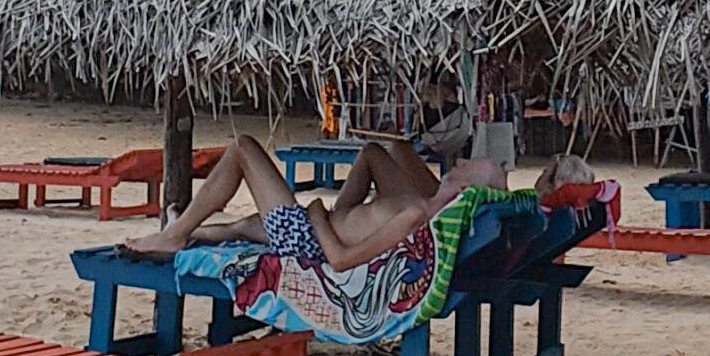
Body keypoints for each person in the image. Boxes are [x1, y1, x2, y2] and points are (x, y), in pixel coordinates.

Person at [116, 133, 503, 270]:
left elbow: (340, 261)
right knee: (242, 227)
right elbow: (373, 154)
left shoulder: (415, 213)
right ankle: (184, 228)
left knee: (243, 149)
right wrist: (339, 213)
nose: (462, 161)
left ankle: (176, 234)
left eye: (469, 165)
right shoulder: (422, 201)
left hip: (310, 242)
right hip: (316, 229)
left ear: (466, 191)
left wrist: (319, 215)